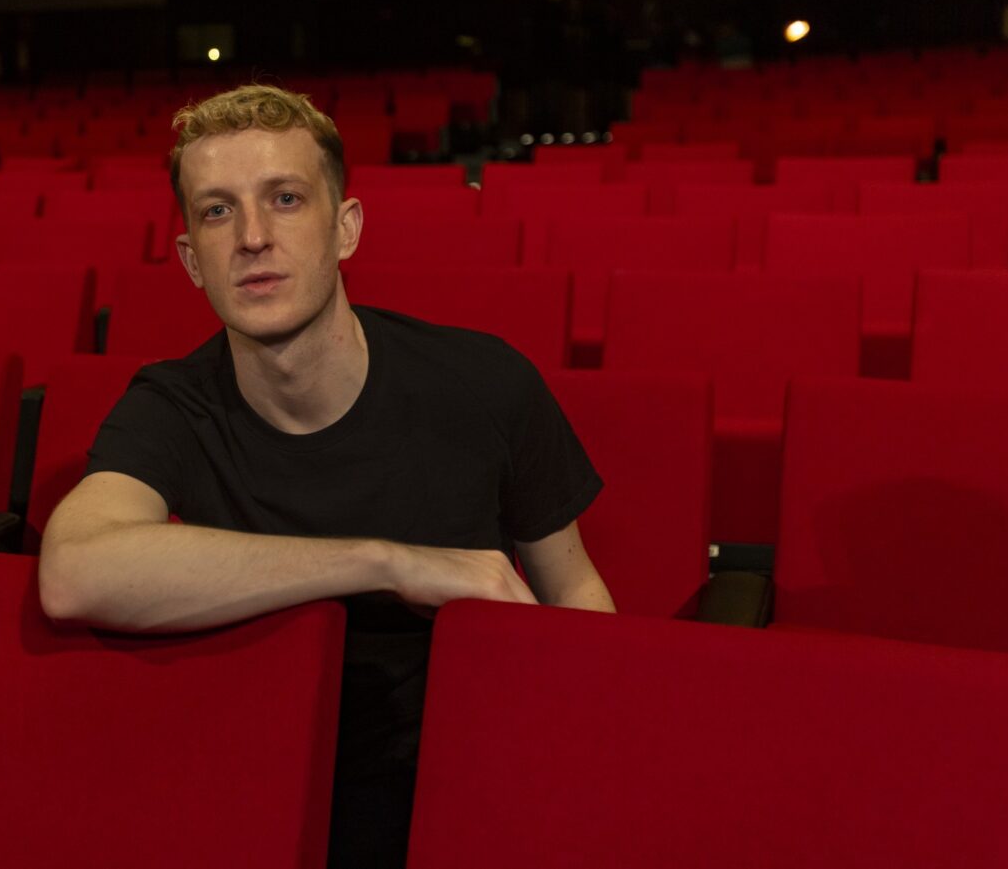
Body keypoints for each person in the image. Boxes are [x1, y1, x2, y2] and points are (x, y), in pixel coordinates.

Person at [38, 84, 614, 868]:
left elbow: (575, 595)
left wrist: (580, 780)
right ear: (190, 263)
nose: (251, 237)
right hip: (252, 779)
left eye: (284, 198)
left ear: (345, 229)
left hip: (463, 774)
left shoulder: (486, 383)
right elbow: (74, 570)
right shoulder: (171, 404)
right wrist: (386, 562)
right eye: (216, 211)